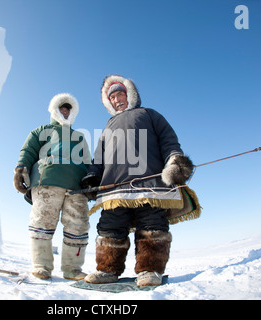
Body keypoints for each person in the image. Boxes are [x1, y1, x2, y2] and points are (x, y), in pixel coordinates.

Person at [81, 75, 201, 287]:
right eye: (113, 97)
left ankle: (149, 270)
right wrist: (93, 177)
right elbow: (99, 158)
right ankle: (107, 270)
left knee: (152, 225)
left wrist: (175, 160)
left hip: (150, 183)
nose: (117, 99)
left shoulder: (149, 114)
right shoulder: (108, 126)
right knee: (110, 226)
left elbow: (169, 140)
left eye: (120, 94)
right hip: (114, 187)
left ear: (130, 95)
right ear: (109, 102)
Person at [14, 93, 91, 280]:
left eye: (68, 109)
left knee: (78, 224)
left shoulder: (79, 137)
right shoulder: (41, 131)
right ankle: (42, 266)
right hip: (46, 180)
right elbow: (29, 151)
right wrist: (20, 169)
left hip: (76, 185)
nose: (65, 111)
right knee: (42, 221)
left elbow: (88, 162)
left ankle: (73, 269)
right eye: (61, 108)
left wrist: (91, 180)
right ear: (54, 110)